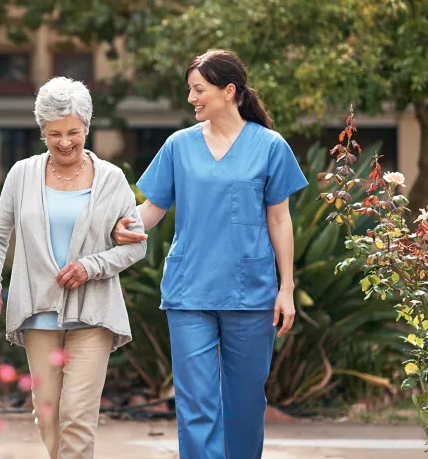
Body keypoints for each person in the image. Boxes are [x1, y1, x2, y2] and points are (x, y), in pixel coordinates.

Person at [112, 49, 308, 458]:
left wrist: (286, 288)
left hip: (250, 291)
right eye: (190, 91)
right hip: (190, 291)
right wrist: (115, 228)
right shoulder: (178, 146)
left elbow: (280, 221)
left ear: (229, 91)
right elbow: (151, 209)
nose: (191, 99)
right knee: (195, 404)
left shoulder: (270, 146)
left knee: (246, 406)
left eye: (198, 90)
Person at [0, 76, 147, 459]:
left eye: (73, 131)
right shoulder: (22, 175)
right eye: (54, 133)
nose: (65, 142)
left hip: (93, 313)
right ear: (42, 132)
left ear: (86, 127)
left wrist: (92, 266)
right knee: (48, 416)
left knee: (77, 418)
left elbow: (135, 248)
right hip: (38, 313)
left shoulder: (111, 179)